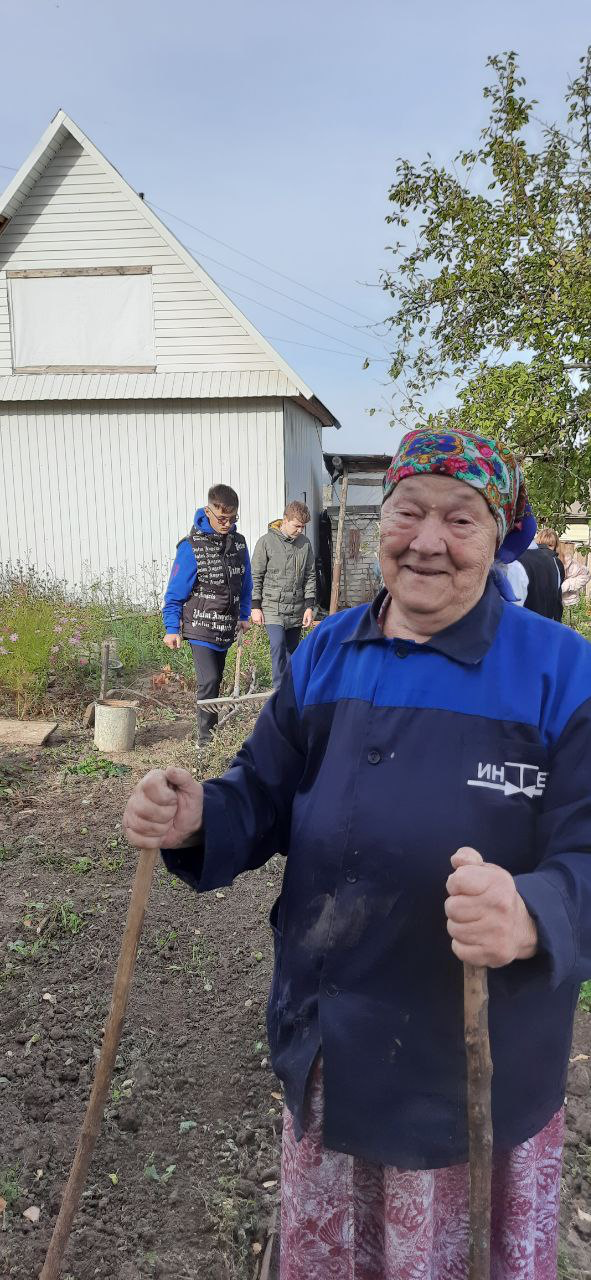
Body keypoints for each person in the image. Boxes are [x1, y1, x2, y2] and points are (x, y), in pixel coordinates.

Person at [124, 428, 591, 1280]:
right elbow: (261, 792)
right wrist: (199, 815)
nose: (426, 540)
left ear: (500, 536)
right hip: (333, 1039)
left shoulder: (561, 671)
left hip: (471, 1069)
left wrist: (531, 912)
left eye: (460, 519)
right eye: (407, 511)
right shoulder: (328, 651)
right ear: (382, 523)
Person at [162, 483, 252, 746]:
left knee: (216, 682)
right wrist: (171, 628)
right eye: (222, 518)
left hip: (226, 628)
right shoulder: (190, 547)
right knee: (209, 681)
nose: (226, 523)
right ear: (208, 511)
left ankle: (210, 734)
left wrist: (244, 614)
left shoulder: (239, 543)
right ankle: (205, 743)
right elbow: (175, 592)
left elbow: (245, 583)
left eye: (232, 518)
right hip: (200, 627)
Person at [250, 500, 315, 687]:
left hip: (296, 607)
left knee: (293, 651)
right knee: (278, 645)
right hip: (272, 606)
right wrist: (255, 606)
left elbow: (310, 575)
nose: (300, 530)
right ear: (285, 520)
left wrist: (309, 607)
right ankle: (279, 690)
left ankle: (291, 689)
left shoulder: (305, 544)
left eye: (303, 527)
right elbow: (256, 575)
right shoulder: (266, 542)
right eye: (297, 526)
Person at [518, 535, 563, 619]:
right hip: (545, 620)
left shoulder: (518, 558)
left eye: (550, 545)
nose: (546, 548)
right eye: (544, 544)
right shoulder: (554, 562)